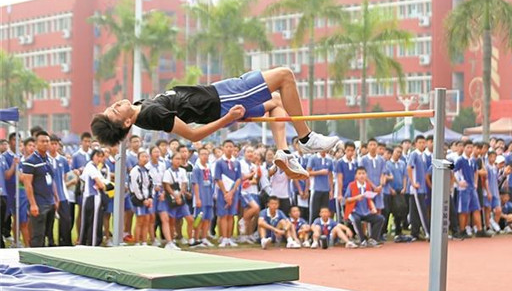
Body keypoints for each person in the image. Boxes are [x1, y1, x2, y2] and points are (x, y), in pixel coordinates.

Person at [91, 67, 340, 180]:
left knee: (275, 102)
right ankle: (306, 138)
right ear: (126, 122)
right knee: (285, 75)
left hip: (219, 96)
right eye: (114, 111)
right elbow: (193, 136)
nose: (115, 104)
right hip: (222, 99)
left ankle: (284, 152)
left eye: (112, 106)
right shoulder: (152, 114)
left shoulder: (141, 107)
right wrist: (227, 118)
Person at [22, 132, 59, 248]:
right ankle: (34, 257)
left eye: (47, 141)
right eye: (42, 141)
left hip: (50, 201)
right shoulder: (30, 161)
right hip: (39, 203)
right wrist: (33, 204)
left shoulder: (49, 159)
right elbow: (27, 184)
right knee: (38, 235)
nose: (45, 144)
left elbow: (51, 180)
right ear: (36, 143)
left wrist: (56, 198)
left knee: (49, 234)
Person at [344, 166, 384, 247]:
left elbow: (370, 199)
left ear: (366, 175)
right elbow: (347, 200)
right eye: (359, 174)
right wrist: (356, 198)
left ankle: (373, 239)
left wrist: (373, 208)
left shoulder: (367, 186)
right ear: (356, 176)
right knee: (356, 219)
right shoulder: (351, 185)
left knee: (380, 218)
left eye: (363, 173)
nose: (361, 176)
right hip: (354, 211)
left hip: (366, 211)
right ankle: (362, 240)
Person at [163, 152, 195, 248]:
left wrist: (180, 194)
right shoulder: (168, 172)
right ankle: (171, 241)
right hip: (172, 198)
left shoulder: (182, 171)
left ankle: (191, 239)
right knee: (172, 220)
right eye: (176, 159)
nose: (178, 161)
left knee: (190, 219)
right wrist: (175, 196)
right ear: (172, 160)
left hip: (181, 198)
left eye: (180, 159)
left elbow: (184, 183)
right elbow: (167, 185)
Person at [214, 140, 241, 247]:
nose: (229, 149)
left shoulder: (237, 162)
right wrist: (225, 193)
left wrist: (232, 192)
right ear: (223, 148)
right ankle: (224, 238)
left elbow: (239, 178)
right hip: (223, 193)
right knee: (223, 215)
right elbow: (218, 178)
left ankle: (229, 238)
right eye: (227, 146)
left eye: (231, 146)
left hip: (234, 192)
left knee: (231, 215)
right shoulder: (219, 162)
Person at [79, 149, 106, 246]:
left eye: (101, 157)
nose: (99, 159)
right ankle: (92, 243)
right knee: (94, 222)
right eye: (97, 156)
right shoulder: (91, 167)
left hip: (88, 196)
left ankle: (84, 242)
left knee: (87, 221)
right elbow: (101, 184)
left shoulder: (93, 167)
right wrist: (102, 185)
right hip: (93, 196)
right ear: (93, 156)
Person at [49, 135, 72, 246]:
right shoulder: (45, 159)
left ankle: (64, 242)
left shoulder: (62, 160)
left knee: (66, 220)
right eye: (52, 144)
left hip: (62, 195)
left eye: (56, 144)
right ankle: (50, 242)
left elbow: (65, 176)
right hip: (49, 196)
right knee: (50, 221)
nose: (54, 146)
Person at [191, 147, 215, 248]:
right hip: (201, 197)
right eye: (203, 154)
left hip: (209, 196)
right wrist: (197, 198)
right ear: (199, 155)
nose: (205, 156)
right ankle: (196, 239)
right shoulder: (197, 168)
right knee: (199, 218)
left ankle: (204, 238)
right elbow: (195, 184)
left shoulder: (208, 167)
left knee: (207, 218)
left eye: (206, 154)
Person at [130, 151, 153, 245]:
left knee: (147, 220)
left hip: (147, 198)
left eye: (147, 157)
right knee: (140, 220)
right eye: (143, 156)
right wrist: (142, 199)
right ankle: (136, 241)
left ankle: (144, 241)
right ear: (138, 158)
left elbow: (150, 184)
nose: (145, 159)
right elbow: (135, 186)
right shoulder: (135, 170)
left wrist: (150, 197)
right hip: (138, 199)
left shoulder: (147, 170)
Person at [307, 150, 334, 223]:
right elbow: (308, 172)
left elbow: (330, 175)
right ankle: (312, 227)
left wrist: (331, 190)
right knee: (314, 212)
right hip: (315, 189)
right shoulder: (313, 158)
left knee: (325, 212)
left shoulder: (329, 159)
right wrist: (319, 172)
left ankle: (323, 228)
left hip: (326, 190)